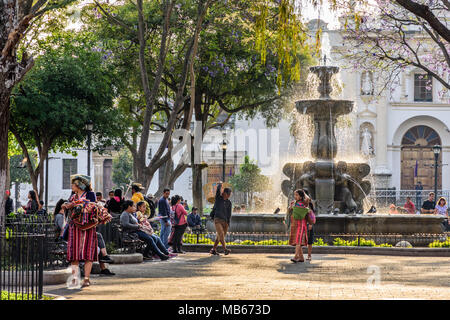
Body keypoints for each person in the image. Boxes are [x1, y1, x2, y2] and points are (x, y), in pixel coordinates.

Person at [61, 174, 98, 288]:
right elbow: (66, 206)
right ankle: (75, 278)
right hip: (74, 227)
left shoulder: (90, 194)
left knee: (88, 252)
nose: (72, 186)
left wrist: (74, 204)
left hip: (88, 227)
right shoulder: (73, 195)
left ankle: (86, 279)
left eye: (73, 184)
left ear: (80, 185)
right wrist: (65, 205)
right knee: (74, 254)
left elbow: (92, 206)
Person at [209, 182, 232, 256]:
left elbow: (229, 213)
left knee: (219, 236)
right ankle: (225, 249)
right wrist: (220, 185)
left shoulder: (229, 202)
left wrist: (228, 223)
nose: (229, 195)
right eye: (228, 194)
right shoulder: (218, 198)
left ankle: (213, 250)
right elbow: (218, 191)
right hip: (217, 219)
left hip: (225, 221)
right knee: (221, 234)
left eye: (229, 194)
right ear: (224, 193)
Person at [288, 189, 309, 263]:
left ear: (301, 196)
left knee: (298, 240)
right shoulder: (293, 203)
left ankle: (296, 256)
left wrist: (303, 192)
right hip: (294, 224)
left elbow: (308, 199)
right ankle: (301, 257)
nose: (295, 196)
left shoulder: (304, 203)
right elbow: (289, 211)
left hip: (301, 224)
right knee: (297, 240)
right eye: (294, 195)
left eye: (297, 195)